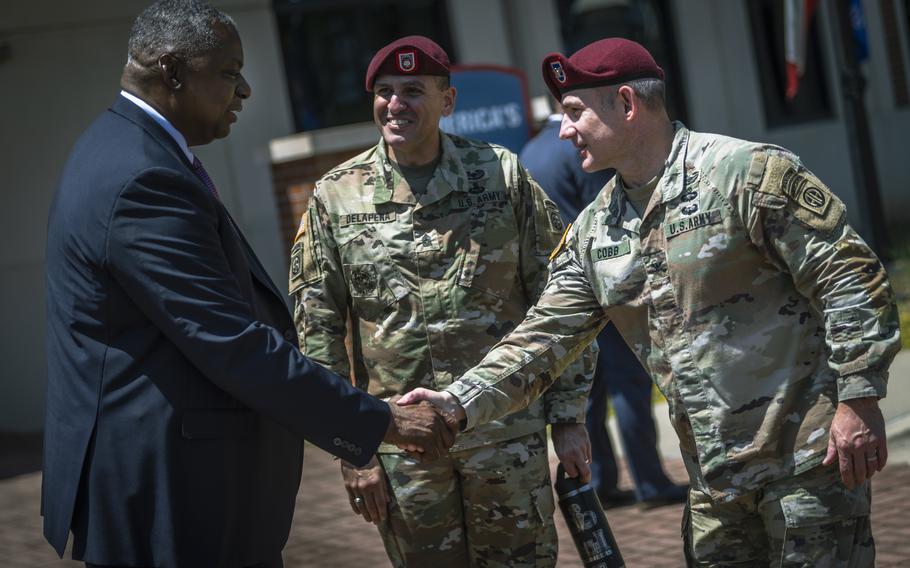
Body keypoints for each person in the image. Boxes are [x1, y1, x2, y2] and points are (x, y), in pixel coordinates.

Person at [401, 37, 900, 566]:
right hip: (714, 485)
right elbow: (542, 337)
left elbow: (847, 274)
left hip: (807, 465)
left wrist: (860, 397)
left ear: (627, 103)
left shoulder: (742, 173)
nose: (564, 130)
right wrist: (456, 402)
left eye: (574, 113)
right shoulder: (595, 229)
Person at [42, 3, 454, 567]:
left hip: (177, 486)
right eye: (230, 73)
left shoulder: (129, 149)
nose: (245, 92)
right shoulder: (144, 176)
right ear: (173, 73)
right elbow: (230, 342)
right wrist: (380, 421)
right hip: (174, 501)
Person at [290, 35, 595, 568]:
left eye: (413, 90)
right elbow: (316, 330)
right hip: (403, 450)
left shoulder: (501, 176)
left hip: (507, 439)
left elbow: (564, 295)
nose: (396, 104)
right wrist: (350, 445)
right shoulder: (335, 196)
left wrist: (568, 417)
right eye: (385, 91)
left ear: (447, 102)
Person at [521, 110, 687, 509]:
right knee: (630, 386)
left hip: (559, 290)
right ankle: (651, 482)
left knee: (588, 396)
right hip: (601, 285)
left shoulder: (528, 153)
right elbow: (608, 213)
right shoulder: (575, 150)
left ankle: (601, 483)